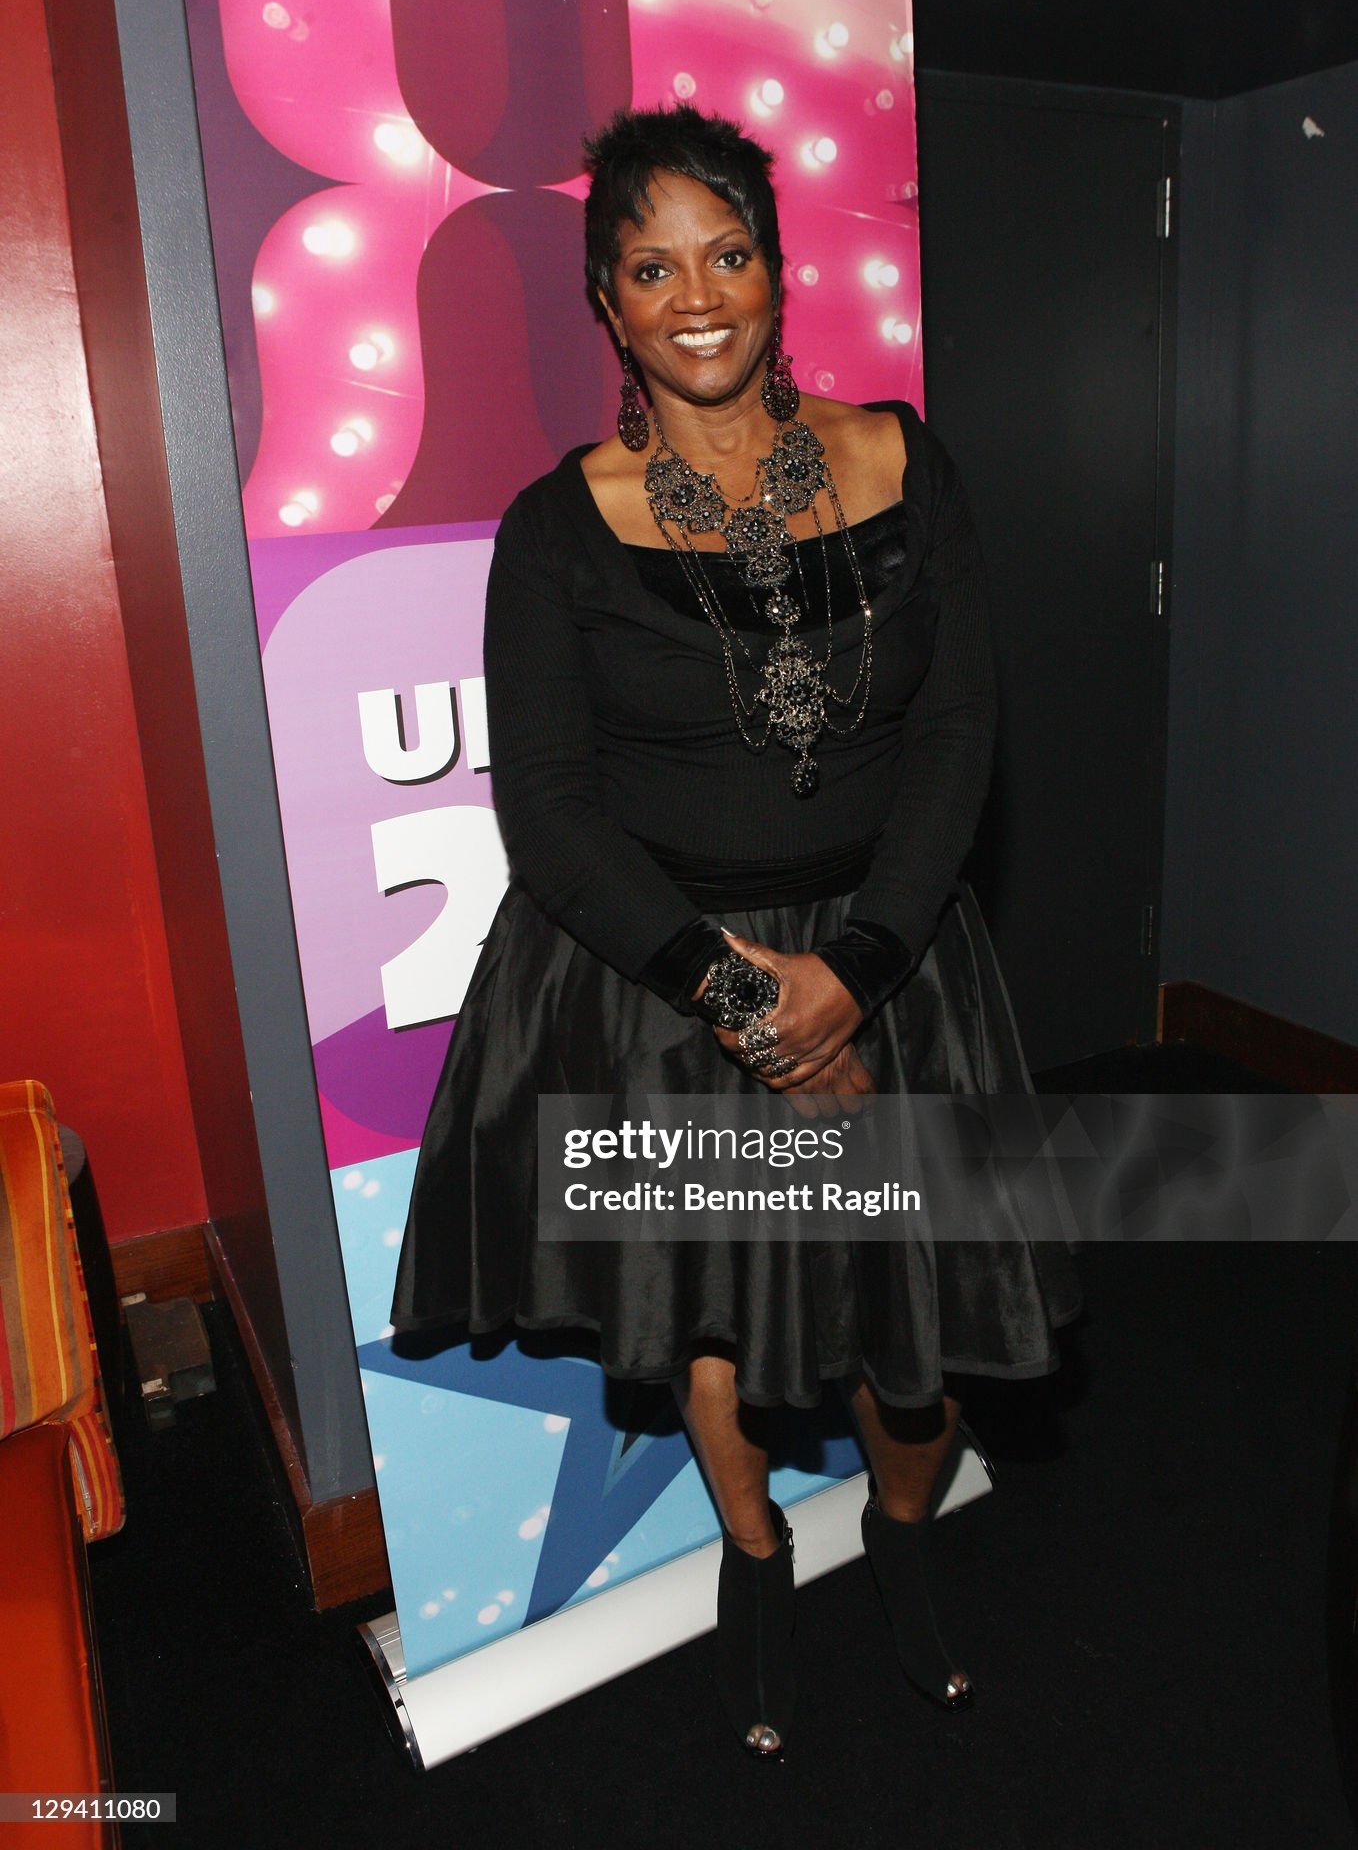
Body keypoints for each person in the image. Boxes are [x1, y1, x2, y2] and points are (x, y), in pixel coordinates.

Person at [390, 103, 1081, 1760]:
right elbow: (549, 811)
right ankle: (756, 1554)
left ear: (777, 271)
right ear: (606, 304)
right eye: (652, 268)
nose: (696, 296)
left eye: (727, 255)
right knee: (704, 1308)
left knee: (921, 1336)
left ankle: (899, 1534)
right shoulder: (557, 525)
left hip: (894, 964)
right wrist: (747, 1003)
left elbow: (958, 731)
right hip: (659, 988)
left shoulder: (900, 458)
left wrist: (858, 973)